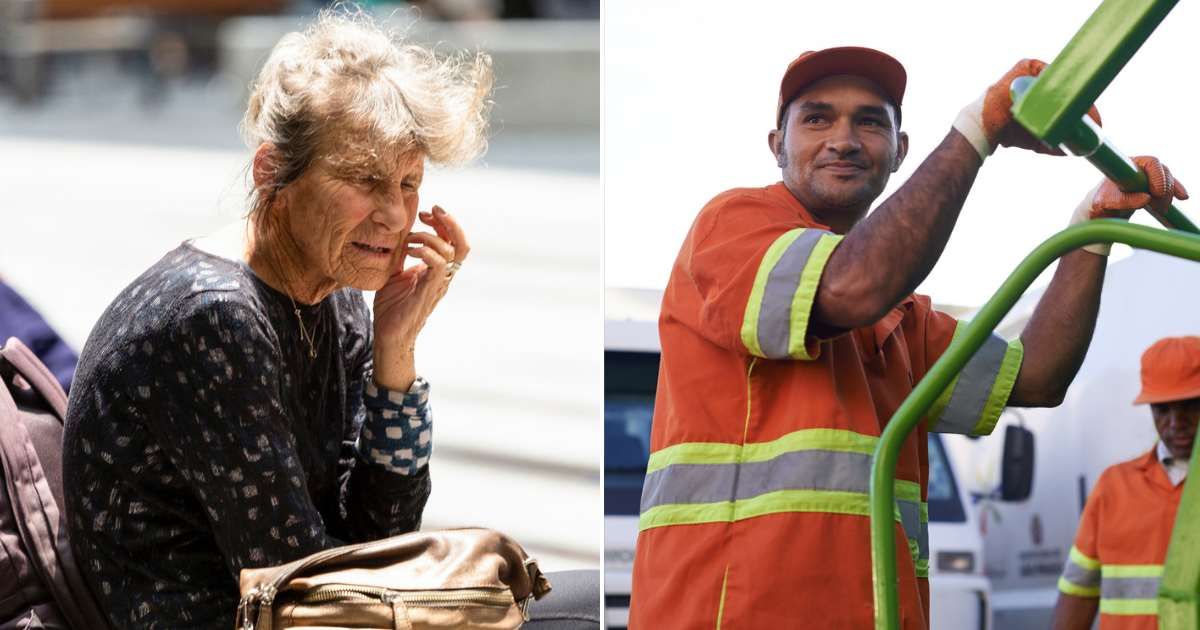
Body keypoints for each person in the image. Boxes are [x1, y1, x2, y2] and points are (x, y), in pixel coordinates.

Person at [62, 10, 597, 629]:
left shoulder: (334, 291)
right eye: (364, 180)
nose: (396, 216)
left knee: (585, 600)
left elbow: (379, 539)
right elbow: (304, 586)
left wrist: (395, 354)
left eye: (408, 182)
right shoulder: (212, 318)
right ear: (272, 174)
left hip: (306, 608)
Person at [628, 47, 1187, 629]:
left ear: (900, 152)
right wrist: (978, 130)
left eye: (870, 121)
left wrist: (1092, 228)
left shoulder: (900, 318)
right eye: (817, 118)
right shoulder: (733, 226)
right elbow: (851, 286)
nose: (843, 139)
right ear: (777, 146)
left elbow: (1038, 375)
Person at [1053, 336, 1199, 630]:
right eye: (1162, 409)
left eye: (1189, 406)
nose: (1175, 422)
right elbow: (1078, 592)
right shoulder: (1114, 488)